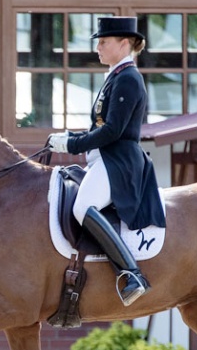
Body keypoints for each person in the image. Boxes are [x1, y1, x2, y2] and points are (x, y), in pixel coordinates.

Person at [48, 16, 166, 306]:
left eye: (103, 42)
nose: (98, 48)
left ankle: (130, 273)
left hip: (119, 163)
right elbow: (101, 125)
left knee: (82, 207)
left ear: (124, 43)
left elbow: (112, 131)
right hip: (104, 159)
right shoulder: (115, 76)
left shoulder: (128, 78)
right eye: (98, 42)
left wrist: (72, 144)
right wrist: (69, 136)